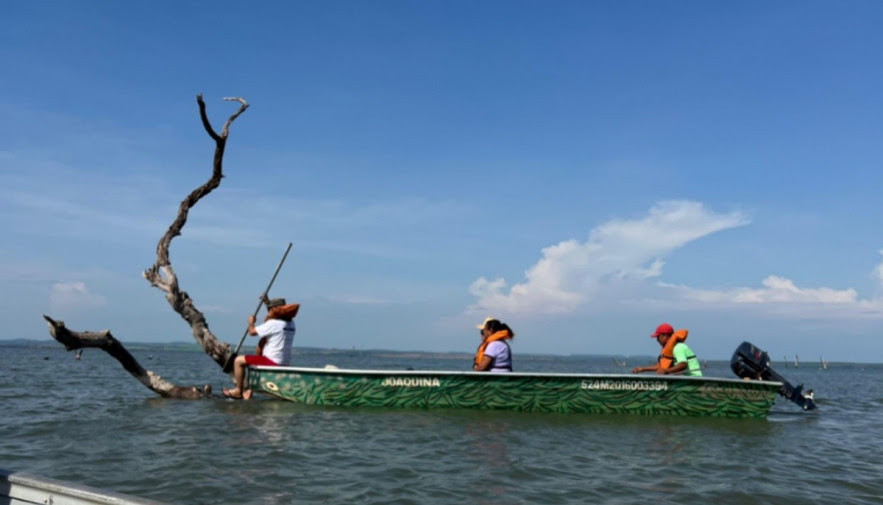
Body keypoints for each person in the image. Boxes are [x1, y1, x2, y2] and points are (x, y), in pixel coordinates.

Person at [223, 296, 300, 399]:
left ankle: (238, 391)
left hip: (272, 361)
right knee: (257, 354)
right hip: (284, 362)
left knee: (238, 361)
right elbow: (273, 315)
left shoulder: (273, 324)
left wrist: (251, 322)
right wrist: (267, 303)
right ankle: (249, 390)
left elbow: (252, 332)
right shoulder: (291, 324)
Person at [632, 323, 702, 376]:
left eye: (658, 337)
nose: (657, 340)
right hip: (684, 380)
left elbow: (683, 365)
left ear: (665, 335)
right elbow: (660, 367)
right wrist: (642, 369)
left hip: (694, 380)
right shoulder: (670, 350)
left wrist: (666, 371)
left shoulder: (678, 347)